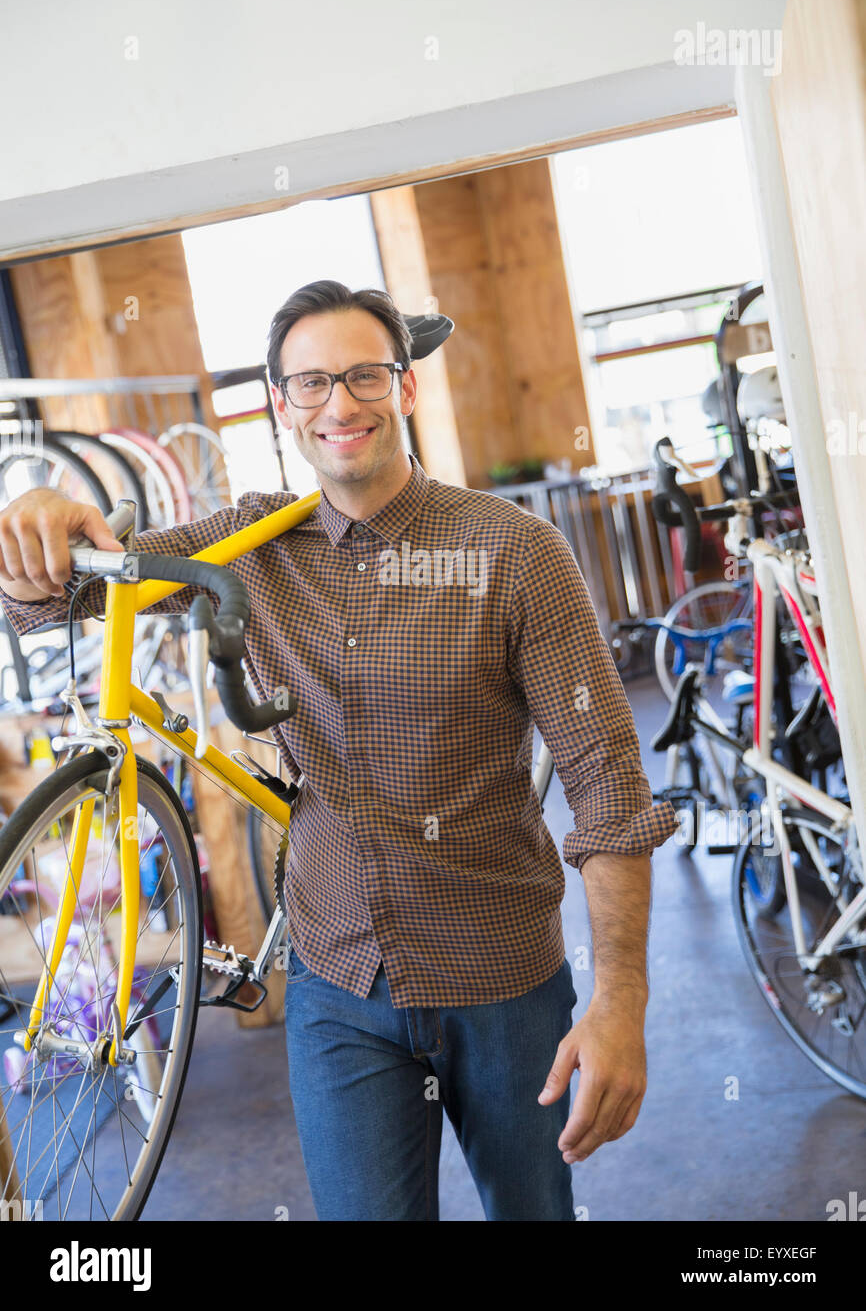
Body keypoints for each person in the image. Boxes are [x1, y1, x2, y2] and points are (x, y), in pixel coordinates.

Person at [0, 279, 677, 1221]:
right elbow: (69, 595)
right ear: (282, 406)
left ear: (403, 387)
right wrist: (36, 529)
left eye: (364, 376)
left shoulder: (513, 553)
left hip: (502, 977)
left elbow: (610, 792)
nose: (340, 404)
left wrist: (622, 1002)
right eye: (310, 383)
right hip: (335, 981)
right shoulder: (249, 539)